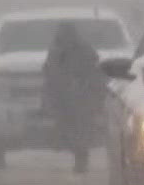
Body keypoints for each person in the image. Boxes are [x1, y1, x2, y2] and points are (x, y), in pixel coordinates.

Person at [42, 21, 104, 174]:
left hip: (80, 97)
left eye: (65, 32)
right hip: (62, 96)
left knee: (80, 129)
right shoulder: (56, 50)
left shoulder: (84, 49)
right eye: (61, 32)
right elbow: (49, 71)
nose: (63, 35)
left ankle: (81, 160)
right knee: (67, 127)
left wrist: (87, 88)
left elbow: (94, 70)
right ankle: (75, 154)